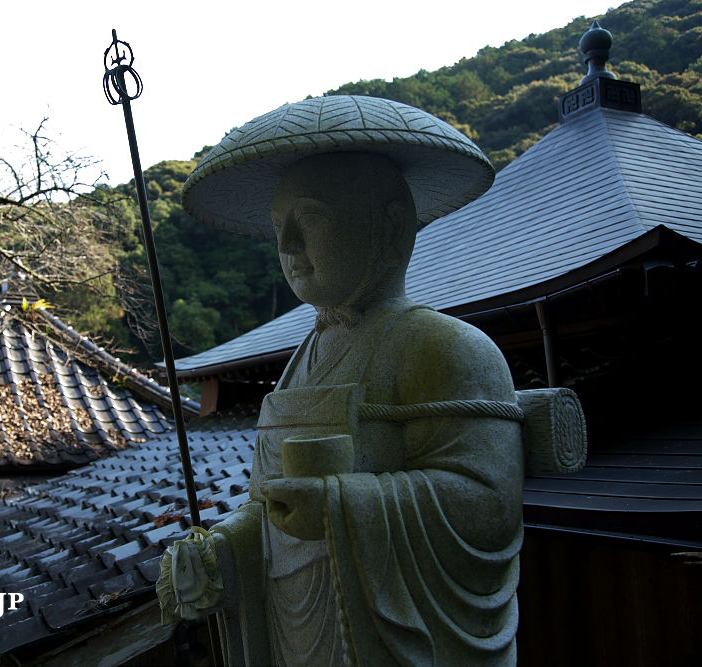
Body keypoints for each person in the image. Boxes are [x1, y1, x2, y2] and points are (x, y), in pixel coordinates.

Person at [158, 96, 525, 667]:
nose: (288, 248)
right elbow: (273, 503)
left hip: (391, 633)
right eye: (280, 227)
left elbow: (489, 507)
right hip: (295, 626)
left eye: (312, 219)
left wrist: (339, 504)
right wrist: (227, 546)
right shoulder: (301, 355)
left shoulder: (447, 347)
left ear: (392, 225)